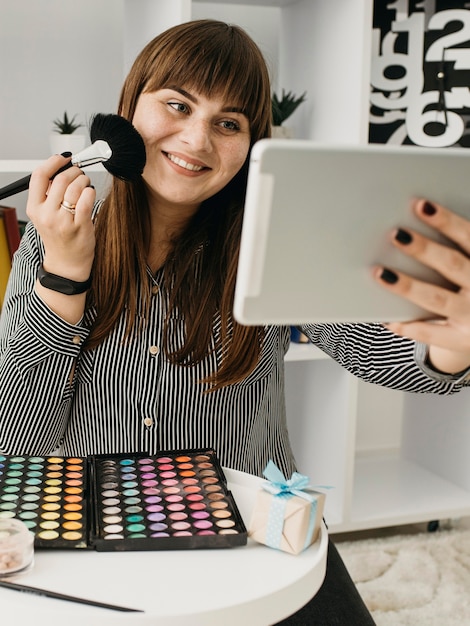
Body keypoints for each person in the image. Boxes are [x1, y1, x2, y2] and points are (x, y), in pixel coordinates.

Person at [1, 19, 470, 625]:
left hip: (254, 530)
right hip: (101, 534)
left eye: (228, 123)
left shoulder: (276, 243)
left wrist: (451, 348)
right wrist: (65, 276)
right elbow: (23, 444)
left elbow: (383, 353)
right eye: (176, 104)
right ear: (127, 113)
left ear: (251, 144)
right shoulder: (52, 239)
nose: (196, 139)